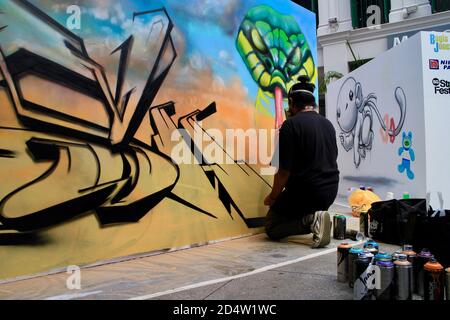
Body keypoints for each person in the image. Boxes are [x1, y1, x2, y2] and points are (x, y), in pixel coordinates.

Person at [264, 76, 339, 248]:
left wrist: (273, 196)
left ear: (292, 103)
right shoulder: (328, 124)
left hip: (307, 192)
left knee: (272, 225)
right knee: (292, 206)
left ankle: (311, 221)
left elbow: (283, 171)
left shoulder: (290, 125)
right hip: (330, 191)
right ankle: (316, 218)